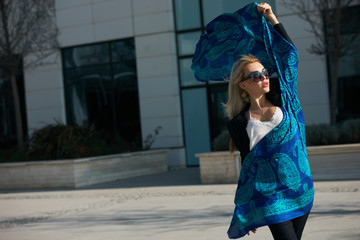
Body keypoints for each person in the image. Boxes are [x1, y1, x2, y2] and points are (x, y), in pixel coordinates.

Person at [224, 3, 314, 240]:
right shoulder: (237, 124)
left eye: (265, 73)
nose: (264, 77)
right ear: (243, 84)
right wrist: (246, 208)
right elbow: (248, 165)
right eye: (256, 75)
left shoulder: (285, 99)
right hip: (269, 196)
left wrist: (273, 19)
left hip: (299, 186)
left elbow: (289, 57)